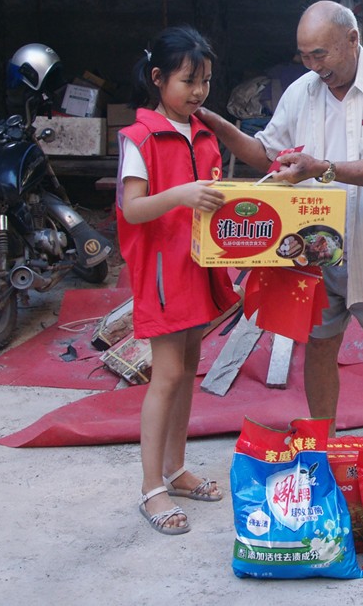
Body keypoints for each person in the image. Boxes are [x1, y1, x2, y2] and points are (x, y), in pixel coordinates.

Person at [199, 0, 363, 436]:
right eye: (304, 55)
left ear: (352, 39)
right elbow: (265, 153)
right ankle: (323, 445)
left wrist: (321, 168)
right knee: (319, 348)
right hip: (315, 250)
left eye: (320, 54)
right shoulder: (302, 90)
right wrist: (217, 124)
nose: (312, 64)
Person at [116, 26, 241, 534]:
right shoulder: (139, 138)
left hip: (200, 267)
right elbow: (132, 207)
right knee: (166, 375)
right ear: (157, 78)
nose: (198, 92)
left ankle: (176, 467)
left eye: (206, 81)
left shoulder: (205, 135)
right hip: (165, 274)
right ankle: (151, 490)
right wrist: (184, 194)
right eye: (188, 80)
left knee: (188, 369)